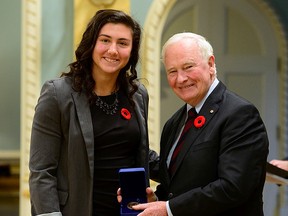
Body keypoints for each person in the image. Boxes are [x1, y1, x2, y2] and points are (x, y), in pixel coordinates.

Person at [123, 32, 269, 215]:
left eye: (188, 67)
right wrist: (155, 200)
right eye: (172, 71)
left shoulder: (240, 114)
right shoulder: (174, 124)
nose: (181, 78)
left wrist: (168, 208)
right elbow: (176, 186)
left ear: (210, 64)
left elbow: (233, 188)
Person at [29, 9, 154, 216]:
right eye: (105, 40)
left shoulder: (138, 94)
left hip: (129, 211)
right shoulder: (57, 94)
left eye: (122, 43)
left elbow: (139, 152)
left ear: (132, 51)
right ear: (91, 43)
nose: (113, 50)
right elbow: (42, 171)